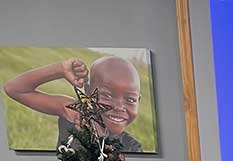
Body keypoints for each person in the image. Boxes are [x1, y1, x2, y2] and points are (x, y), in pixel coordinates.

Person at [3, 55, 143, 151]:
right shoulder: (75, 112)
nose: (118, 107)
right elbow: (14, 89)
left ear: (138, 100)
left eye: (130, 99)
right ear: (88, 91)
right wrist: (60, 69)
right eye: (106, 95)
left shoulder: (131, 146)